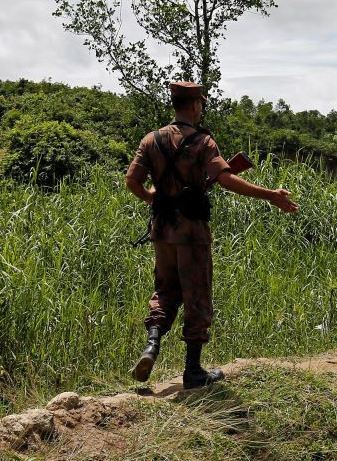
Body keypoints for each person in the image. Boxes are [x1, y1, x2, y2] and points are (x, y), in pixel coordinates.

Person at [128, 82, 299, 389]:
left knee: (165, 291)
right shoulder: (203, 141)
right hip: (192, 232)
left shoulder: (150, 140)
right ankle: (193, 371)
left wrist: (154, 198)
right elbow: (225, 178)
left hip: (162, 230)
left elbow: (133, 180)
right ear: (196, 105)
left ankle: (151, 345)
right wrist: (271, 195)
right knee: (197, 296)